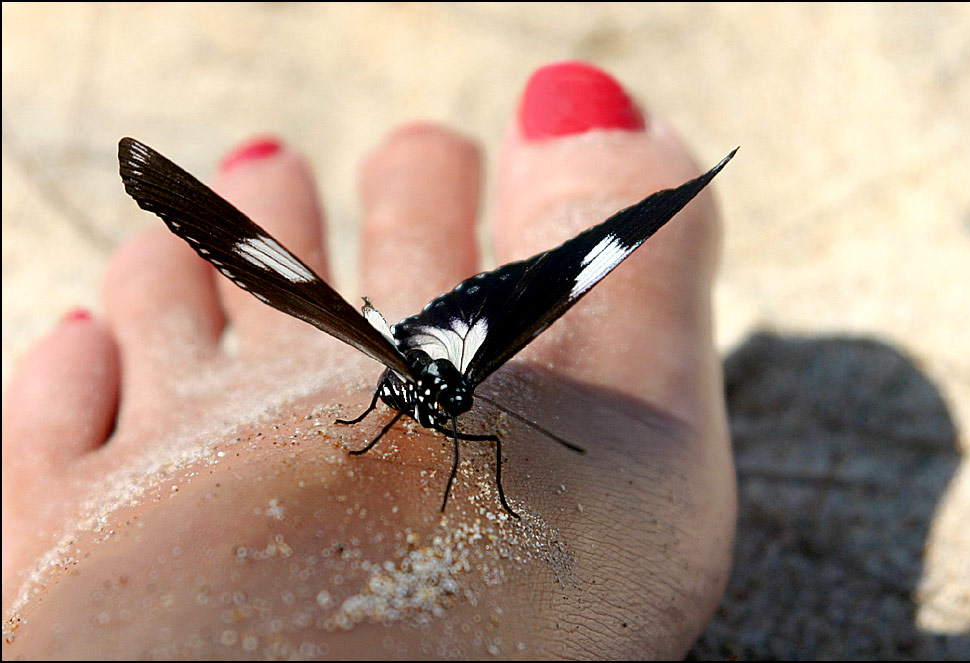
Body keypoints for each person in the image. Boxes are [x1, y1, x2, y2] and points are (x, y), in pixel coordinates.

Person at [2, 61, 736, 659]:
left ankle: (85, 625)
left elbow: (466, 414)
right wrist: (376, 406)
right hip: (429, 342)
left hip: (467, 337)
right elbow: (406, 391)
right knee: (374, 363)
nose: (457, 415)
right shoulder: (417, 384)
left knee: (554, 305)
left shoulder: (467, 399)